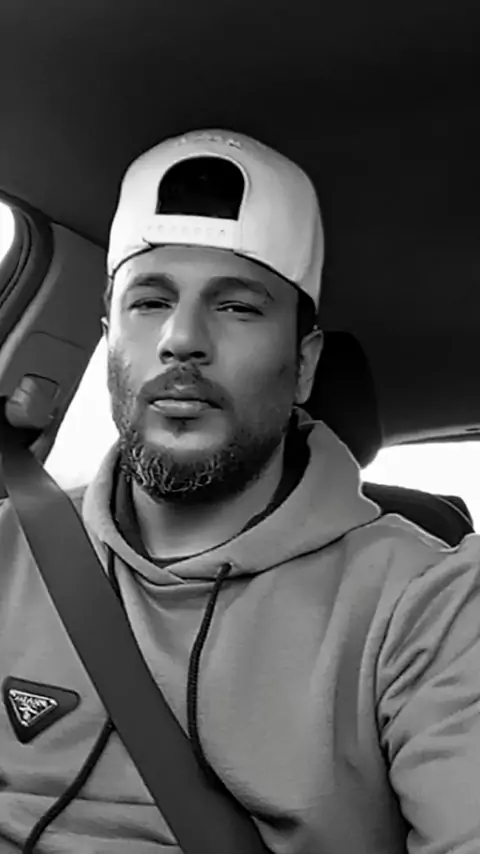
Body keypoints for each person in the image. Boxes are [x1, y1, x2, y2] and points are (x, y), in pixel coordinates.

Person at [1, 129, 480, 854]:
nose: (181, 338)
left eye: (237, 307)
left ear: (304, 366)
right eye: (149, 302)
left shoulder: (429, 607)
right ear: (111, 343)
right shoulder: (10, 547)